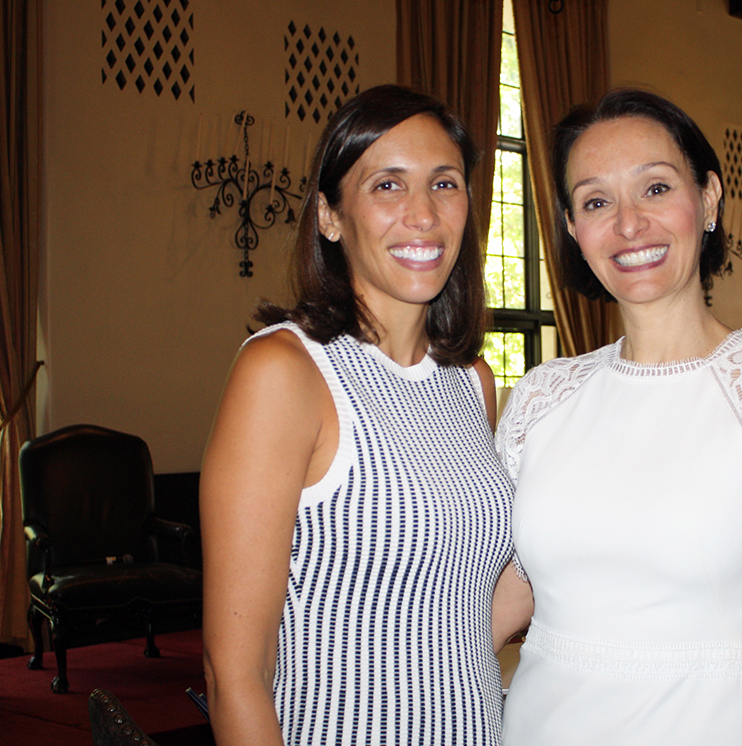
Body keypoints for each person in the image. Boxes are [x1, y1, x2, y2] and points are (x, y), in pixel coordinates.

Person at [494, 89, 742, 745]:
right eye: (596, 202)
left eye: (655, 188)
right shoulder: (542, 397)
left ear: (708, 199)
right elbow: (506, 594)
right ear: (571, 229)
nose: (629, 223)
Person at [201, 85, 530, 746]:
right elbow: (235, 674)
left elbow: (466, 616)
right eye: (387, 185)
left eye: (444, 184)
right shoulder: (285, 373)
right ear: (330, 216)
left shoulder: (471, 382)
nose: (423, 214)